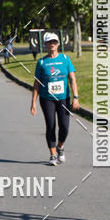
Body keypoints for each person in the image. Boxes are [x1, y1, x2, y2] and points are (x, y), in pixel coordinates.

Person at [30, 32, 79, 165]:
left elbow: (72, 79)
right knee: (51, 125)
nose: (52, 44)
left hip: (63, 98)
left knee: (64, 127)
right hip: (47, 99)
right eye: (49, 42)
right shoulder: (41, 62)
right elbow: (36, 84)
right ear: (45, 45)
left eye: (54, 42)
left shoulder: (65, 59)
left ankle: (60, 146)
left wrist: (76, 97)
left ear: (58, 44)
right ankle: (52, 154)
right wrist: (33, 102)